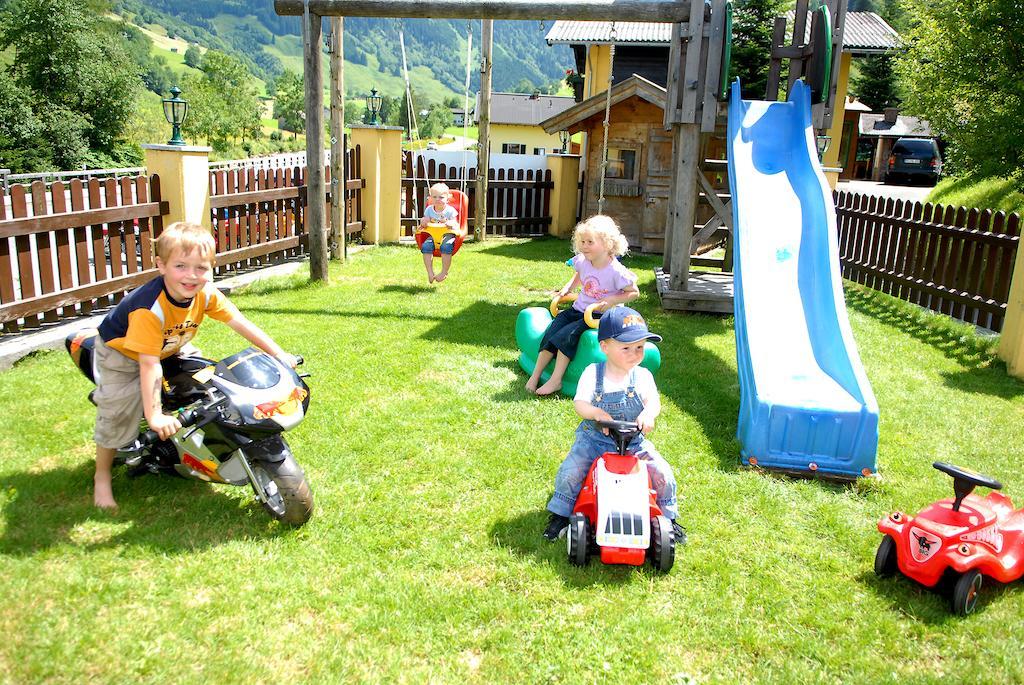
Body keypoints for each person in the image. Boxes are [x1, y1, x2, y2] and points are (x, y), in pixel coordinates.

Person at [90, 221, 297, 509]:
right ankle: (102, 478)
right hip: (124, 354)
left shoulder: (206, 293)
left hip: (171, 342)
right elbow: (149, 365)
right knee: (118, 410)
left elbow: (239, 322)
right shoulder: (149, 309)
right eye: (181, 266)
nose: (191, 275)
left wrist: (278, 354)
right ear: (161, 265)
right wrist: (155, 418)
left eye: (201, 267)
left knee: (208, 384)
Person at [542, 306, 684, 543]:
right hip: (594, 440)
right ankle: (561, 514)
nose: (634, 353)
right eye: (626, 347)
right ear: (605, 347)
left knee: (662, 472)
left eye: (639, 347)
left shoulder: (643, 376)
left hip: (633, 441)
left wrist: (649, 414)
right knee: (571, 471)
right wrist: (597, 412)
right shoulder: (593, 373)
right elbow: (580, 404)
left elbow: (653, 401)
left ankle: (668, 518)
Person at [525, 215, 639, 396]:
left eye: (590, 242)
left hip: (598, 316)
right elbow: (579, 273)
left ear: (607, 244)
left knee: (566, 336)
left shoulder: (616, 271)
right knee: (552, 331)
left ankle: (556, 380)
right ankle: (535, 375)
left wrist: (611, 301)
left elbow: (634, 292)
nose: (584, 246)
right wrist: (568, 287)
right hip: (578, 309)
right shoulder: (584, 261)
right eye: (582, 241)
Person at [419, 182, 462, 284]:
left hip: (447, 235)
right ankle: (430, 272)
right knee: (425, 247)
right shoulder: (429, 210)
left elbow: (455, 224)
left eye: (441, 197)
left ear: (447, 199)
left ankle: (444, 272)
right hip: (434, 235)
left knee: (446, 247)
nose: (438, 199)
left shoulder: (450, 211)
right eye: (434, 197)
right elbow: (425, 222)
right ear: (430, 198)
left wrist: (449, 223)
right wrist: (423, 221)